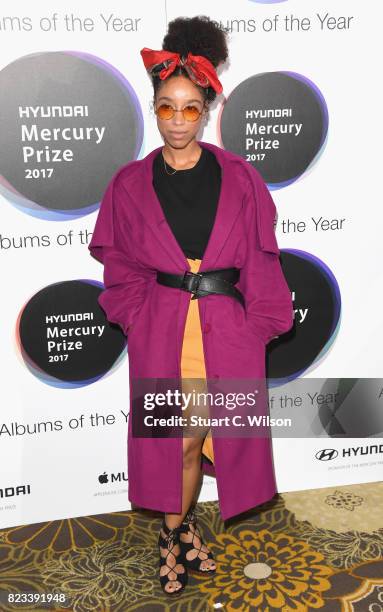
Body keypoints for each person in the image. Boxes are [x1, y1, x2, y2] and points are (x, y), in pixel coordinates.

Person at [88, 15, 294, 596]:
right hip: (161, 327)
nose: (177, 121)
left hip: (224, 330)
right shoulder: (128, 184)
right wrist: (134, 313)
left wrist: (259, 327)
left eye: (190, 108)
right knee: (170, 441)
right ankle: (172, 534)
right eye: (166, 107)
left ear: (206, 111)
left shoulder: (241, 177)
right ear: (154, 110)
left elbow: (262, 257)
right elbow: (119, 264)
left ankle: (181, 529)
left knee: (201, 439)